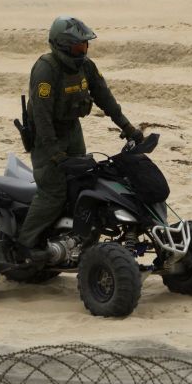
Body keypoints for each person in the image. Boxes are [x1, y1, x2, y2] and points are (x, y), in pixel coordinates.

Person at [16, 15, 143, 263]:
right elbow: (41, 117)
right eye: (77, 46)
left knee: (82, 185)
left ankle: (69, 238)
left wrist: (128, 127)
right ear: (63, 46)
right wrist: (54, 153)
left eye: (85, 45)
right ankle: (26, 244)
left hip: (72, 130)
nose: (83, 50)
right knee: (53, 192)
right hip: (46, 136)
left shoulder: (85, 66)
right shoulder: (46, 69)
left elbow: (105, 98)